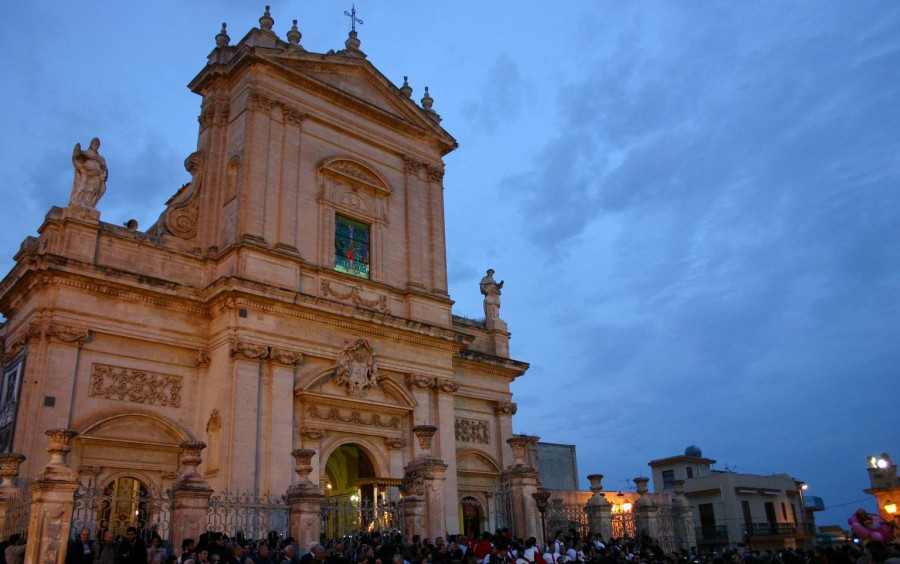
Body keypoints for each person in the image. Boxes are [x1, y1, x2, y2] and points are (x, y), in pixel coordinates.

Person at [69, 137, 108, 208]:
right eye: (94, 142)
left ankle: (89, 205)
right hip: (86, 172)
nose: (95, 144)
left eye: (97, 143)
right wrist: (77, 149)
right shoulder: (84, 153)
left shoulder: (101, 158)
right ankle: (77, 204)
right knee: (83, 188)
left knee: (94, 190)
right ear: (91, 143)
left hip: (97, 176)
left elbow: (104, 169)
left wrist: (103, 174)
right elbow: (76, 158)